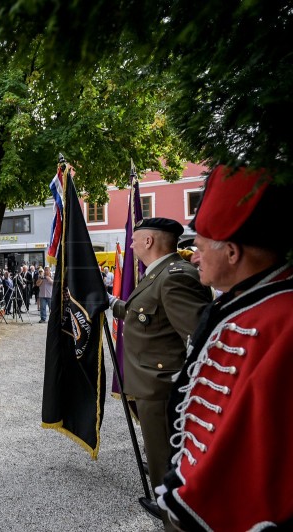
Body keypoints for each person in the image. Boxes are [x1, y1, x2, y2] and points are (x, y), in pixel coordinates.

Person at [156, 167, 293, 531]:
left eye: (199, 248)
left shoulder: (281, 320)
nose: (194, 257)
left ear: (232, 252)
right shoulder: (242, 303)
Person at [107, 217, 212, 528]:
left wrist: (183, 393)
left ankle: (174, 522)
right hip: (152, 388)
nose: (131, 244)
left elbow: (199, 339)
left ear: (149, 242)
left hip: (165, 392)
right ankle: (167, 510)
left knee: (169, 467)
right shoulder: (159, 275)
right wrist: (113, 304)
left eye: (135, 239)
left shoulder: (175, 276)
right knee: (159, 464)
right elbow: (148, 314)